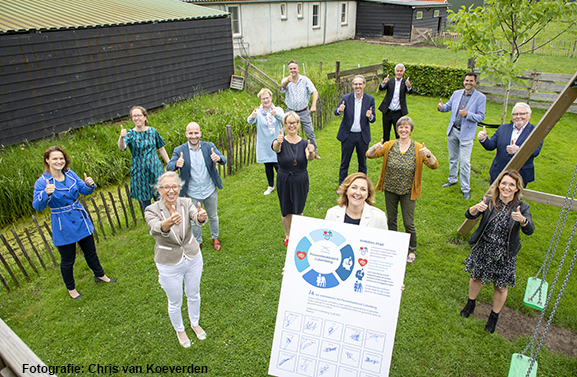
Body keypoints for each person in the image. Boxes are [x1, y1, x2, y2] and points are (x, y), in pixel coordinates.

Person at [32, 146, 115, 300]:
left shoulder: (70, 174)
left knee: (90, 251)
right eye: (55, 158)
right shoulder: (42, 182)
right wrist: (45, 194)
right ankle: (71, 289)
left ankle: (100, 275)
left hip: (80, 218)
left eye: (61, 158)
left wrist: (89, 184)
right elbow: (37, 206)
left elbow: (84, 190)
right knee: (68, 260)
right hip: (62, 224)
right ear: (47, 160)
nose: (59, 161)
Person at [460, 170, 534, 334]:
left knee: (500, 287)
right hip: (484, 248)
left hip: (504, 254)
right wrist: (475, 208)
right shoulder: (489, 200)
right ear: (499, 184)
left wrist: (522, 221)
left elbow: (529, 230)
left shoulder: (522, 207)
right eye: (504, 183)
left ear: (516, 188)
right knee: (475, 277)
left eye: (511, 185)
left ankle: (494, 316)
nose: (507, 187)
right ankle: (470, 303)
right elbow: (470, 215)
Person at [144, 171, 208, 347]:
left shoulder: (186, 203)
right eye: (166, 187)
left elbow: (196, 216)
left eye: (174, 186)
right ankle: (180, 329)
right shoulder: (151, 210)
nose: (171, 191)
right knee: (175, 300)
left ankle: (194, 323)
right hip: (169, 262)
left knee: (194, 294)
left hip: (193, 256)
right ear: (159, 189)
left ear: (179, 188)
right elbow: (155, 227)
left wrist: (201, 218)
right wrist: (169, 222)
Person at [367, 116, 438, 263]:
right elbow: (369, 155)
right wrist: (375, 147)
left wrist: (429, 154)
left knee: (408, 222)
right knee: (391, 220)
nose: (403, 129)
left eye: (406, 127)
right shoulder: (389, 145)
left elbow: (434, 165)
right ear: (397, 130)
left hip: (407, 191)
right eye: (401, 127)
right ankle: (394, 246)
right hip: (390, 188)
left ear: (410, 130)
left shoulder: (418, 148)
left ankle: (412, 250)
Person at [166, 122, 226, 251]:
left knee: (213, 216)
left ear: (200, 133)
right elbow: (169, 167)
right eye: (191, 133)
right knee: (194, 220)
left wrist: (218, 158)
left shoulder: (208, 146)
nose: (194, 136)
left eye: (196, 133)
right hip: (192, 192)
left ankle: (215, 237)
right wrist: (177, 163)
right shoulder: (179, 150)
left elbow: (223, 159)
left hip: (209, 189)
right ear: (186, 134)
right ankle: (198, 241)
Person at [437, 72, 486, 200]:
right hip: (453, 131)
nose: (468, 83)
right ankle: (452, 179)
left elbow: (481, 117)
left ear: (475, 82)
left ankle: (465, 189)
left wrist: (467, 114)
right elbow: (448, 107)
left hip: (466, 134)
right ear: (463, 81)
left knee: (464, 162)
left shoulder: (480, 97)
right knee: (453, 158)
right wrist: (441, 107)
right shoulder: (456, 93)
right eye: (466, 80)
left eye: (471, 81)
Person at [272, 111, 316, 246]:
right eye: (289, 123)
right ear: (284, 125)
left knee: (298, 209)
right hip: (284, 178)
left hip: (300, 178)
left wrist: (311, 152)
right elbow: (276, 149)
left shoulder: (304, 142)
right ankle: (288, 234)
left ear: (298, 124)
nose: (292, 125)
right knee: (286, 210)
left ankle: (298, 234)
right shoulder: (279, 141)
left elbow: (310, 158)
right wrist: (278, 142)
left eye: (295, 122)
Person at [477, 102, 543, 187]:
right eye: (515, 114)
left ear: (529, 115)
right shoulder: (503, 128)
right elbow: (490, 146)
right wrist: (484, 139)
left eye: (522, 113)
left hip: (520, 174)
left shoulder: (536, 131)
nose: (518, 116)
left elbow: (536, 151)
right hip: (499, 171)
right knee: (493, 198)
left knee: (514, 199)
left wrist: (518, 150)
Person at [117, 106, 170, 210]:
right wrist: (121, 137)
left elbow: (161, 148)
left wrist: (169, 162)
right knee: (146, 203)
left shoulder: (152, 131)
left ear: (145, 117)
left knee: (161, 197)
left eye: (139, 115)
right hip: (140, 173)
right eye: (134, 116)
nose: (136, 118)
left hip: (155, 170)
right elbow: (122, 147)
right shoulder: (130, 134)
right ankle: (152, 224)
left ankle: (165, 223)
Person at [334, 75, 375, 192]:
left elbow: (374, 118)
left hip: (362, 136)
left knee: (362, 162)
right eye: (355, 84)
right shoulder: (346, 98)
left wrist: (370, 116)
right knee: (344, 162)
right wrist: (339, 110)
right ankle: (342, 185)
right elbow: (336, 111)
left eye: (360, 84)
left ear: (364, 85)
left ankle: (362, 186)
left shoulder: (370, 99)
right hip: (348, 135)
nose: (358, 86)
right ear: (352, 85)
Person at [247, 88, 285, 195]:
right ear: (260, 100)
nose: (266, 100)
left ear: (271, 98)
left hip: (276, 142)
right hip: (264, 143)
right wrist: (252, 116)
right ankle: (271, 185)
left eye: (267, 98)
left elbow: (284, 120)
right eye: (263, 98)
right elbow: (249, 121)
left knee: (279, 165)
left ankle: (283, 185)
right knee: (268, 165)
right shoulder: (258, 112)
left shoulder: (277, 109)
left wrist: (275, 115)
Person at [281, 60, 321, 159]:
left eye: (294, 68)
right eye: (290, 69)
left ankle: (314, 151)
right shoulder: (286, 80)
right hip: (291, 112)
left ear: (298, 69)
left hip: (304, 111)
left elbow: (314, 91)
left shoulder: (305, 80)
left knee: (310, 132)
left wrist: (313, 105)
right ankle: (293, 152)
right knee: (292, 132)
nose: (292, 70)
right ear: (288, 70)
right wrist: (287, 81)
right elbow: (283, 86)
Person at [378, 63, 412, 141]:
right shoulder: (390, 81)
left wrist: (409, 86)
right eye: (397, 71)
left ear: (403, 72)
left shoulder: (405, 82)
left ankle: (399, 150)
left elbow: (410, 92)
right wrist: (383, 83)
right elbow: (381, 88)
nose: (399, 73)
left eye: (401, 71)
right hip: (387, 111)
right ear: (395, 71)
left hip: (398, 113)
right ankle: (386, 150)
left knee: (399, 133)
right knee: (386, 134)